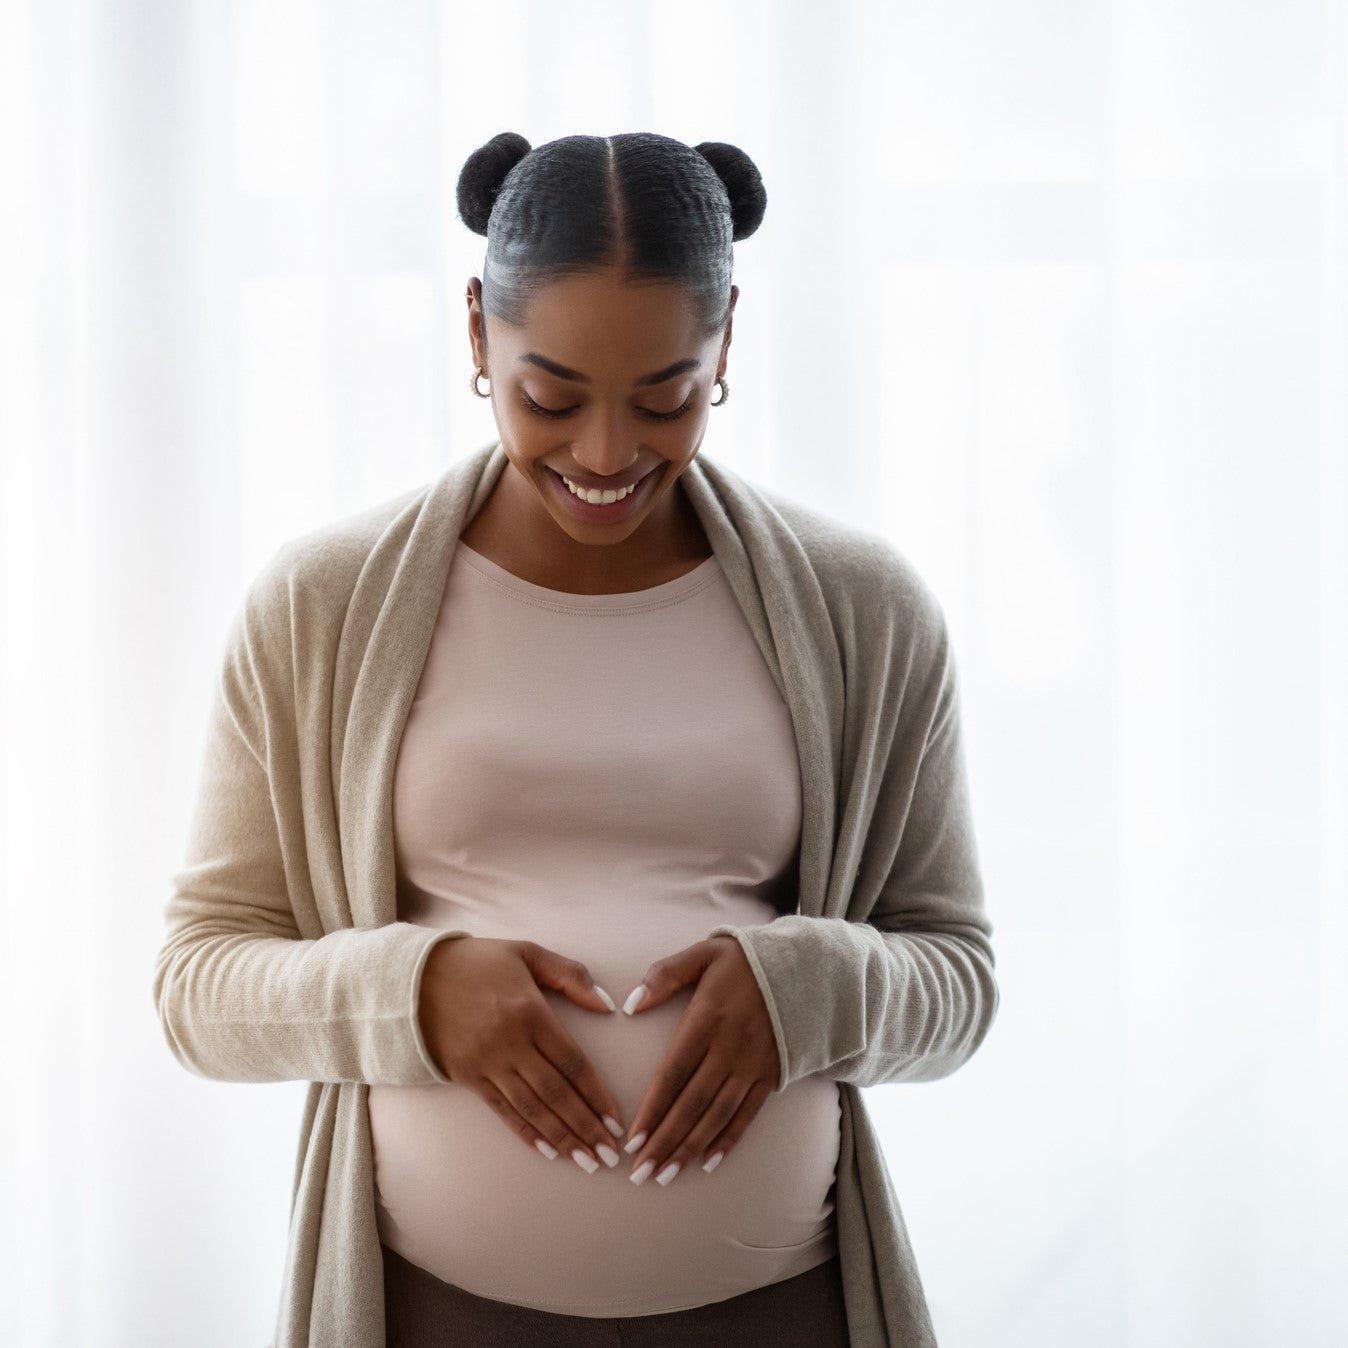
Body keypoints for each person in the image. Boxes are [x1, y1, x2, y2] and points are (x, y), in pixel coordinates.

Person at [153, 131, 1000, 1348]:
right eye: (549, 397)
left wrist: (809, 989)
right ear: (476, 334)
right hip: (436, 1316)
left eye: (666, 398)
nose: (606, 455)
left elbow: (957, 981)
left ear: (726, 343)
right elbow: (198, 987)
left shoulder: (863, 609)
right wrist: (416, 993)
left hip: (780, 1313)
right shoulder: (321, 606)